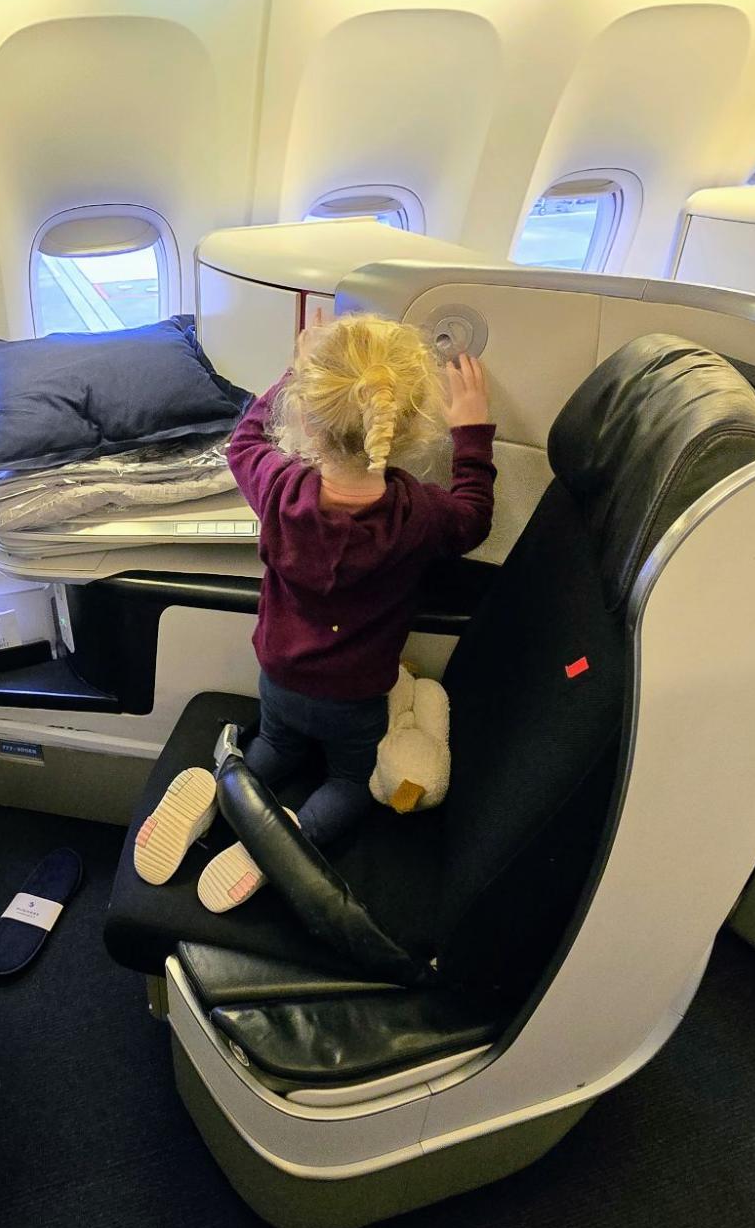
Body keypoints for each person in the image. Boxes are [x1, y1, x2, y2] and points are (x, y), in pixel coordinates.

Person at [133, 315, 496, 911]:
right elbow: (475, 514)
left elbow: (244, 442)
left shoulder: (279, 489)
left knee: (276, 747)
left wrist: (294, 371)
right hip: (354, 696)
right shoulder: (421, 515)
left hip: (280, 676)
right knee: (351, 783)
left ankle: (226, 789)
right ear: (407, 429)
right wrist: (473, 432)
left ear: (306, 417)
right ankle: (283, 844)